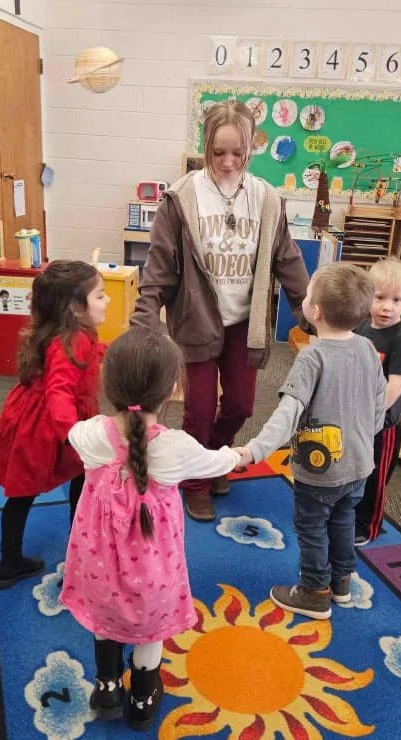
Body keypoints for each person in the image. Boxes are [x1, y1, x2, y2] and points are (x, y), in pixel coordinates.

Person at [130, 99, 310, 523]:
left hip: (245, 323)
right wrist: (143, 321)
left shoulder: (267, 198)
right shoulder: (182, 198)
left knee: (242, 405)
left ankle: (212, 458)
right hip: (197, 320)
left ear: (250, 150)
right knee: (197, 409)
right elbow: (158, 267)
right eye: (218, 153)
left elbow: (287, 257)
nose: (228, 162)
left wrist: (310, 306)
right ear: (206, 148)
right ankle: (195, 484)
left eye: (238, 153)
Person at [60, 329, 241, 729]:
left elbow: (71, 433)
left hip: (98, 565)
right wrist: (239, 454)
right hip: (152, 572)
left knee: (104, 619)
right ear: (174, 389)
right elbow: (218, 463)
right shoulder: (177, 447)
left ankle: (106, 686)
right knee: (149, 627)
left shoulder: (92, 435)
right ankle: (142, 700)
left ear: (108, 383)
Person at [236, 263, 386, 620]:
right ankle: (342, 583)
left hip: (320, 474)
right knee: (344, 519)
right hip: (359, 463)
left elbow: (287, 414)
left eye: (307, 296)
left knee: (313, 526)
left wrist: (254, 450)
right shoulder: (367, 348)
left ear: (314, 311)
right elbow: (379, 405)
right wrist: (364, 439)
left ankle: (315, 591)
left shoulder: (312, 357)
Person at [0, 261, 108, 588]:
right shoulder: (72, 340)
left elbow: (87, 357)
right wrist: (76, 435)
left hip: (39, 421)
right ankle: (79, 555)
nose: (107, 301)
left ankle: (11, 561)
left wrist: (112, 353)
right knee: (74, 482)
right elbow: (59, 391)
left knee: (25, 493)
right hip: (50, 427)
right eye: (101, 296)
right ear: (75, 309)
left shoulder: (69, 333)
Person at [352, 258, 401, 546]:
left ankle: (368, 525)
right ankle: (349, 513)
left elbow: (397, 384)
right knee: (355, 467)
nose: (386, 307)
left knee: (375, 477)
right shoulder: (363, 329)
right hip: (356, 417)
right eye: (379, 298)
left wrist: (374, 413)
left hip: (383, 424)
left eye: (396, 299)